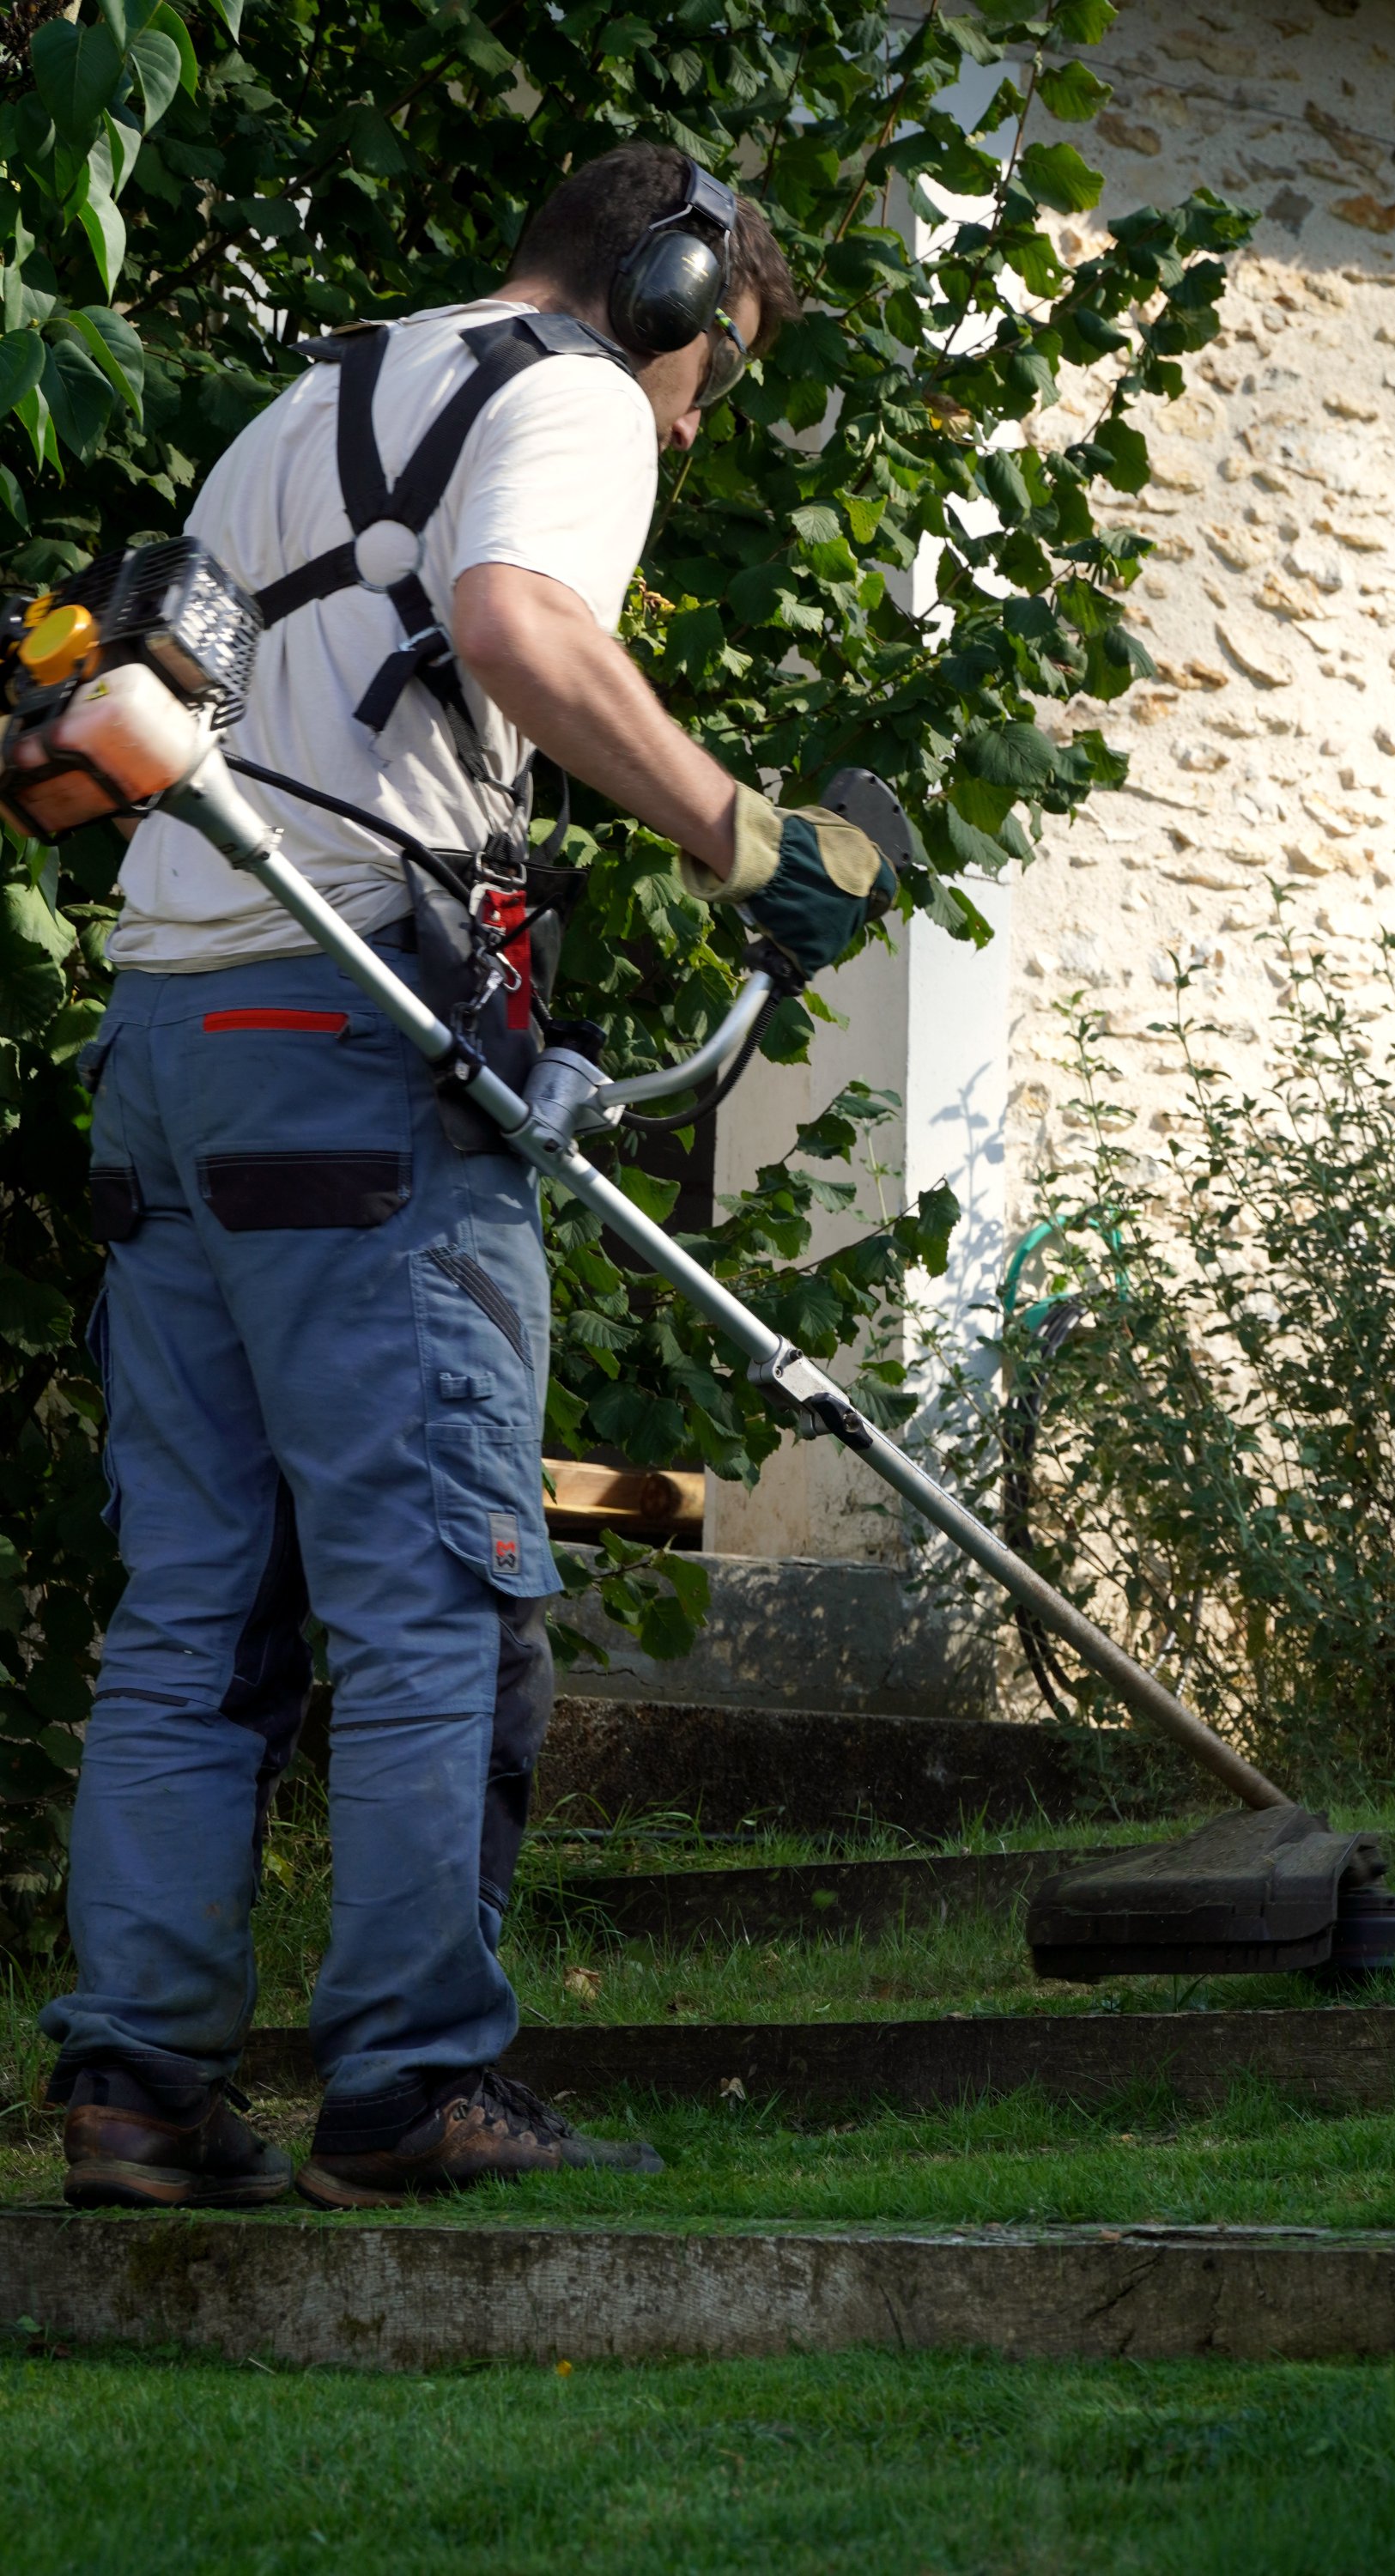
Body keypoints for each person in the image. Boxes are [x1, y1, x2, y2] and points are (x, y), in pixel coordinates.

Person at [41, 142, 895, 2212]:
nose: (697, 421)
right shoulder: (579, 392)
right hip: (342, 1047)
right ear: (673, 294)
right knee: (438, 1595)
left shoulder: (308, 405)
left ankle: (137, 2092)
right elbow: (514, 624)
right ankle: (412, 2084)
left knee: (190, 1605)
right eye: (718, 372)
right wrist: (743, 836)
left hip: (172, 1035)